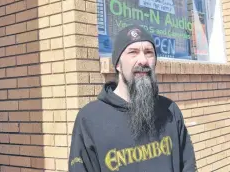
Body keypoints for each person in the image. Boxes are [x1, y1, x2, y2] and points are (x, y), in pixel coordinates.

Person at [68, 25, 196, 172]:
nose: (143, 60)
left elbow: (188, 166)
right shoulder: (89, 119)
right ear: (118, 64)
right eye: (133, 52)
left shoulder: (170, 111)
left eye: (149, 52)